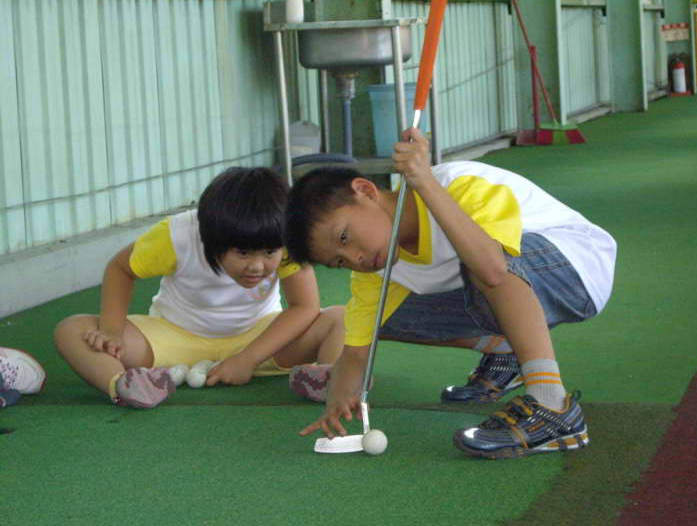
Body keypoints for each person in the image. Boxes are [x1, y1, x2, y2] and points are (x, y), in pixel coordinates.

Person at [284, 128, 616, 459]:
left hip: (576, 268)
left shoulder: (458, 183)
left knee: (480, 261)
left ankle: (552, 405)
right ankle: (507, 353)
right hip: (507, 284)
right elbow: (356, 352)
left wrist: (424, 182)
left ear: (365, 191)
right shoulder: (375, 268)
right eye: (340, 261)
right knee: (381, 317)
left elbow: (492, 269)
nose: (355, 258)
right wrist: (339, 396)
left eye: (344, 237)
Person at [54, 167, 344, 409]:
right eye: (243, 253)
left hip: (261, 339)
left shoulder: (285, 234)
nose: (257, 267)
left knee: (342, 318)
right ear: (211, 237)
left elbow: (304, 306)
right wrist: (111, 331)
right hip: (171, 339)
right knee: (72, 330)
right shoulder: (177, 235)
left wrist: (247, 359)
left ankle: (329, 378)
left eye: (269, 253)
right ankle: (125, 386)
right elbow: (120, 269)